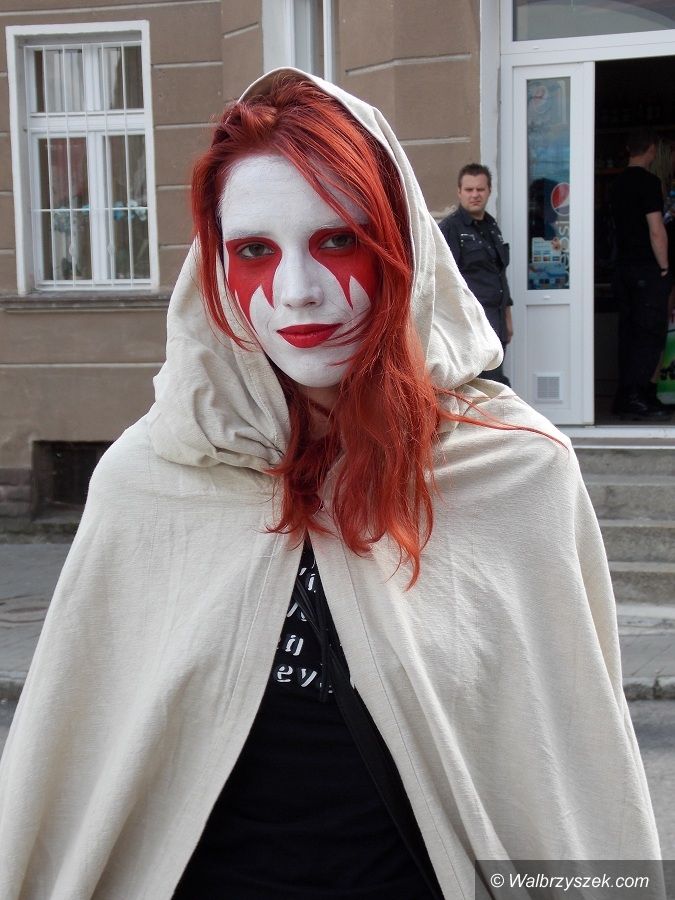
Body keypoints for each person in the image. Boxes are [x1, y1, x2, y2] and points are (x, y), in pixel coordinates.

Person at [0, 71, 665, 900]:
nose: (298, 292)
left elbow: (571, 770)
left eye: (338, 239)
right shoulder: (153, 479)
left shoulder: (516, 471)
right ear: (215, 269)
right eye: (253, 250)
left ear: (400, 249)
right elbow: (73, 772)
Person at [610, 129, 672, 419]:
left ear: (628, 149)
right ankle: (636, 396)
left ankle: (630, 395)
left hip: (622, 268)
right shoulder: (648, 182)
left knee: (629, 333)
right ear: (651, 150)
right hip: (646, 268)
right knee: (649, 335)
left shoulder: (616, 183)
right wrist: (665, 266)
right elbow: (656, 229)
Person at [439, 163, 513, 385]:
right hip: (471, 327)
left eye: (480, 189)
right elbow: (443, 281)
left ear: (489, 191)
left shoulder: (492, 226)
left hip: (497, 322)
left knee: (495, 384)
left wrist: (507, 317)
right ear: (459, 192)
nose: (475, 195)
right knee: (485, 387)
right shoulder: (450, 229)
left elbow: (499, 274)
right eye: (469, 189)